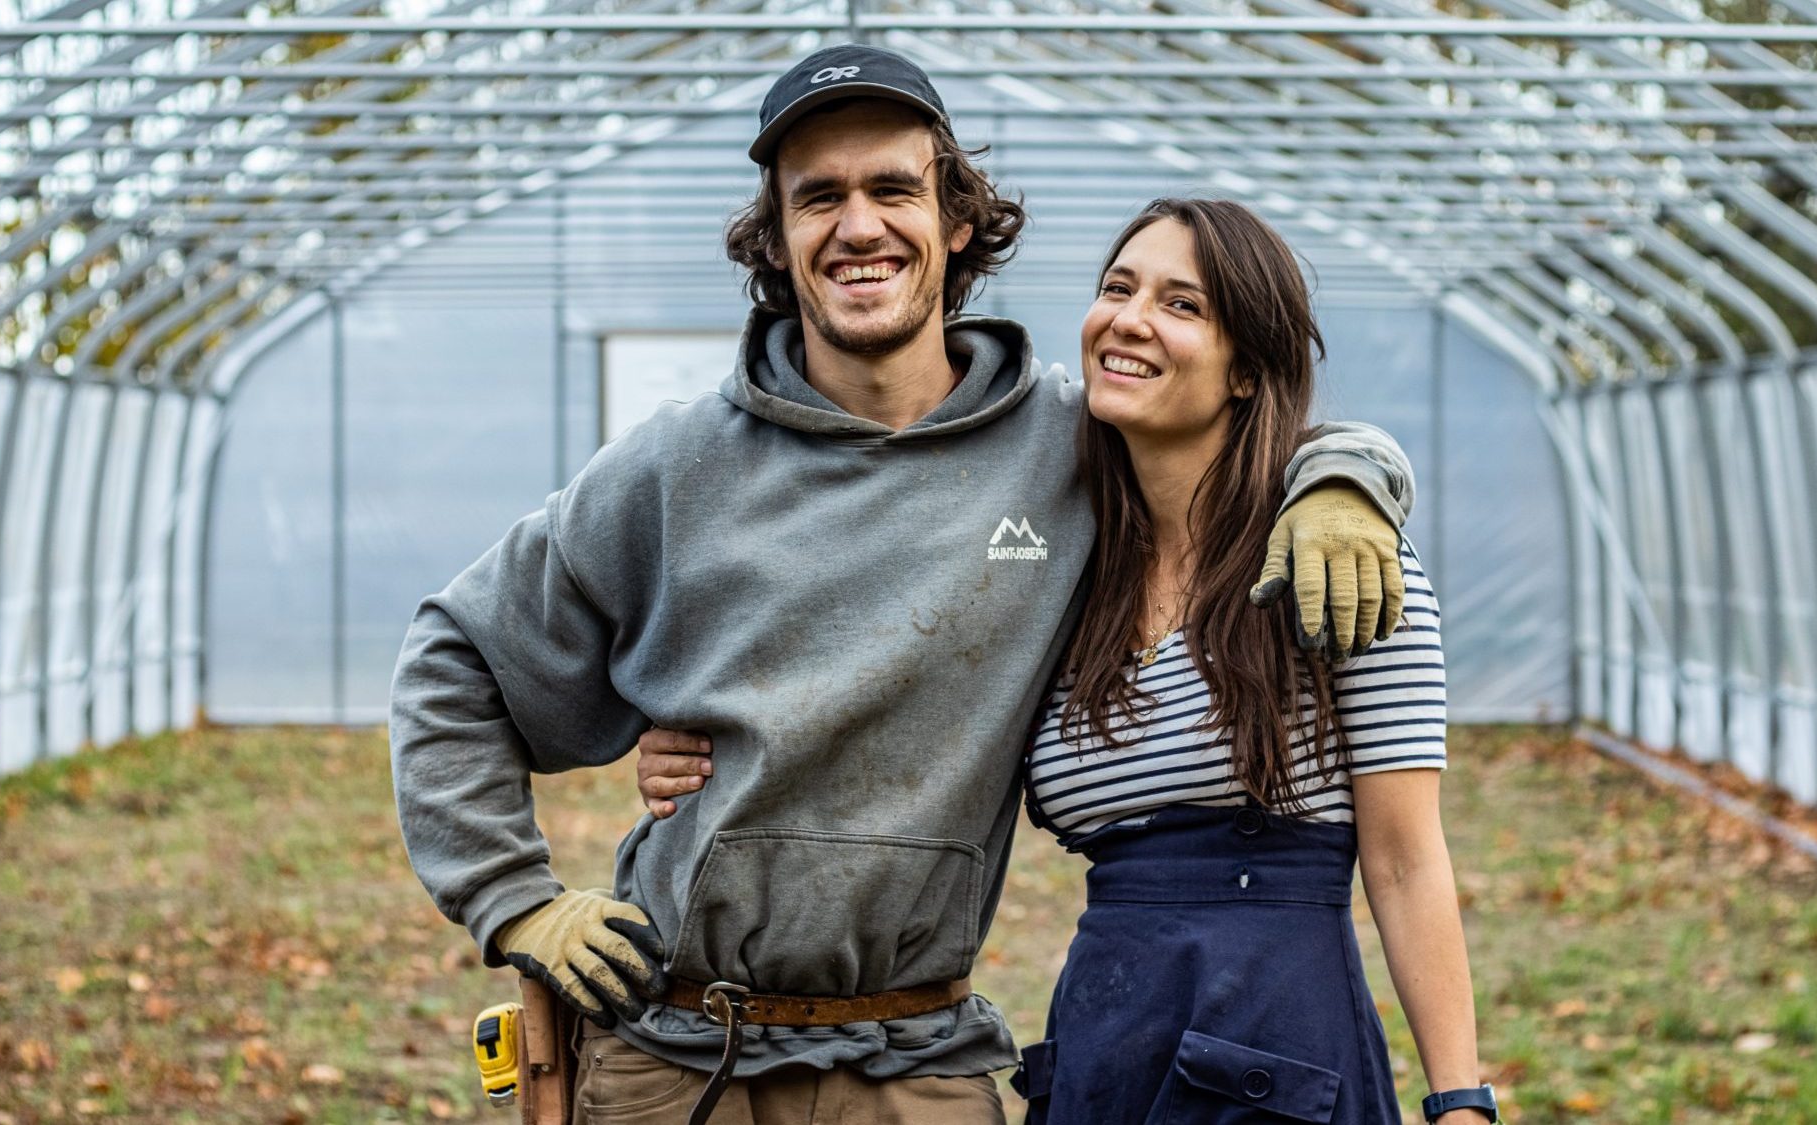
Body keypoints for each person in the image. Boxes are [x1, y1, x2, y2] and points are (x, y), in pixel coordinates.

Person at [390, 45, 1419, 1125]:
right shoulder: (671, 467)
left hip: (917, 1061)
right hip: (674, 1056)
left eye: (892, 188)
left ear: (957, 219)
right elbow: (455, 659)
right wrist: (513, 900)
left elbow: (1236, 420)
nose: (858, 225)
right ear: (777, 241)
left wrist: (1345, 476)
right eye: (816, 198)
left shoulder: (1071, 447)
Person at [640, 199, 1494, 1124]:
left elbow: (1407, 861)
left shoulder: (1334, 560)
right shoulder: (1068, 567)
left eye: (1182, 304)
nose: (1129, 319)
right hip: (1106, 1034)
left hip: (1273, 1040)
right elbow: (896, 687)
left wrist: (1459, 1101)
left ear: (1247, 368)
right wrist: (708, 732)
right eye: (1117, 288)